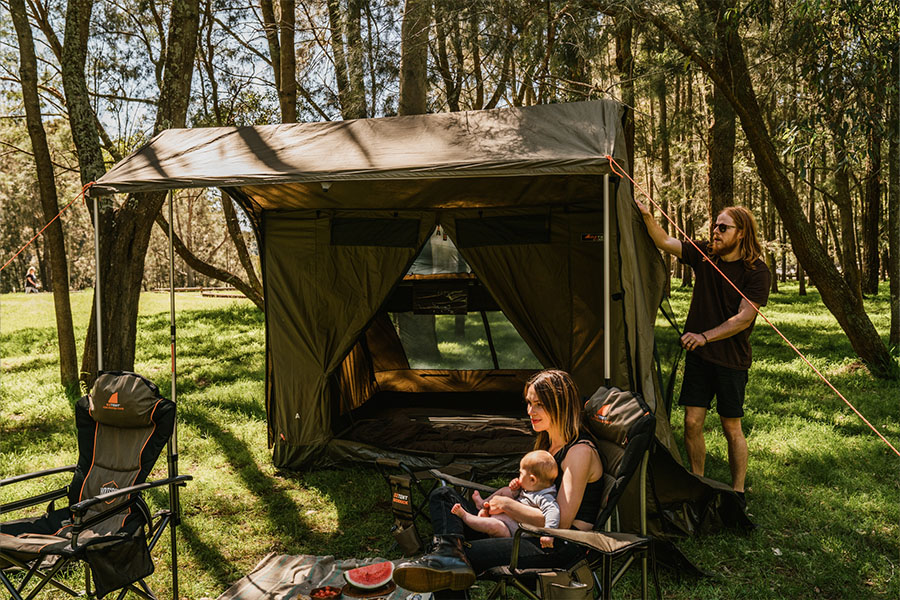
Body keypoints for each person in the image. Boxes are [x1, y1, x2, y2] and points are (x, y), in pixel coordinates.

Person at [392, 369, 605, 596]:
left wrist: (506, 505)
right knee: (443, 497)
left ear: (560, 405)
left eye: (539, 404)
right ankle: (447, 552)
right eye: (529, 403)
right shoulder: (548, 444)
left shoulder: (579, 452)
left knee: (458, 560)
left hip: (556, 544)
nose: (530, 411)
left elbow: (560, 523)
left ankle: (447, 557)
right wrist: (507, 495)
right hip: (520, 529)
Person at [636, 200, 770, 506]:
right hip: (700, 358)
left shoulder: (756, 271)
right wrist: (646, 215)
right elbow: (664, 241)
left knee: (731, 427)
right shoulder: (704, 254)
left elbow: (744, 318)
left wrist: (705, 337)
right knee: (692, 423)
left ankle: (737, 493)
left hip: (731, 360)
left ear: (741, 233)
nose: (715, 232)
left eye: (723, 227)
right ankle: (698, 483)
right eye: (714, 226)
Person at [450, 449, 559, 548]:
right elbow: (520, 498)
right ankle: (482, 503)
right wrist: (515, 489)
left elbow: (553, 511)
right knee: (506, 490)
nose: (518, 477)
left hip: (510, 531)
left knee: (494, 526)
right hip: (508, 516)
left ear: (532, 480)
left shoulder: (544, 497)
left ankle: (465, 516)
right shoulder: (533, 488)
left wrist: (548, 533)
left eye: (521, 474)